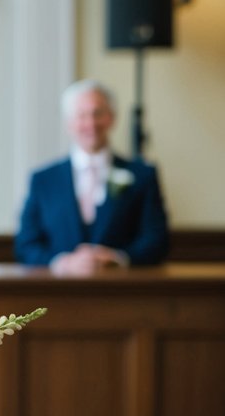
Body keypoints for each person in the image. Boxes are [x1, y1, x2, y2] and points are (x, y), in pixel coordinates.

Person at [14, 79, 169, 273]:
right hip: (57, 294)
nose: (91, 123)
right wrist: (63, 263)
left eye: (98, 114)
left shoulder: (142, 175)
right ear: (69, 123)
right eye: (81, 115)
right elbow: (26, 245)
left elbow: (157, 240)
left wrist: (118, 259)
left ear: (112, 118)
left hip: (123, 292)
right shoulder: (43, 180)